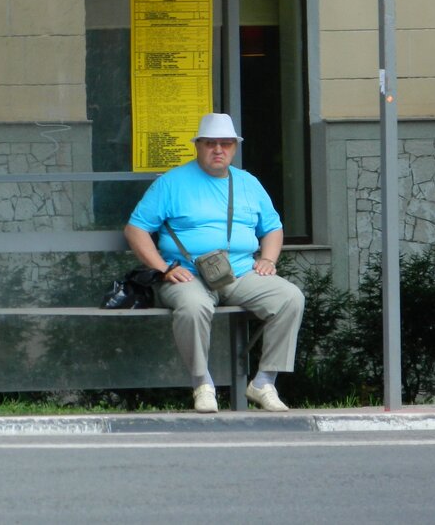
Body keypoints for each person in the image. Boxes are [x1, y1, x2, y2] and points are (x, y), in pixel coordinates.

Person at [125, 112, 305, 414]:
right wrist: (164, 268)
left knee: (290, 297)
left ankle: (263, 382)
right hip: (186, 274)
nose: (218, 150)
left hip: (241, 273)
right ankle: (202, 384)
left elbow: (272, 227)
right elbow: (135, 229)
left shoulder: (249, 183)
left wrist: (268, 258)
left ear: (234, 147)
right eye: (211, 143)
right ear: (198, 146)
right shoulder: (171, 183)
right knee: (194, 307)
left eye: (225, 143)